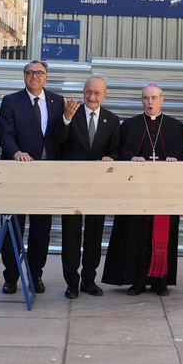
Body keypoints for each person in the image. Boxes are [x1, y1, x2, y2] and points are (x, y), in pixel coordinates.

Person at [102, 84, 183, 296]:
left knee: (163, 234)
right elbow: (119, 151)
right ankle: (136, 280)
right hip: (136, 190)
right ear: (141, 101)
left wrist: (174, 159)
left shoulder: (175, 126)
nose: (149, 102)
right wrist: (131, 157)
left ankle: (161, 281)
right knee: (134, 234)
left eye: (153, 98)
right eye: (145, 98)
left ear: (162, 100)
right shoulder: (130, 126)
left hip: (164, 191)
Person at [0, 61, 70, 294]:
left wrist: (67, 118)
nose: (34, 76)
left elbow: (61, 137)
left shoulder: (58, 102)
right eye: (29, 73)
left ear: (46, 77)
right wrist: (16, 152)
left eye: (39, 73)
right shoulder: (10, 101)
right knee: (12, 226)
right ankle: (11, 277)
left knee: (41, 228)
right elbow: (5, 134)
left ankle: (35, 274)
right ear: (24, 77)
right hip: (17, 172)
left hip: (46, 174)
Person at [51, 75, 119, 299]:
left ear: (104, 95)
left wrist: (111, 157)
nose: (91, 97)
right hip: (72, 184)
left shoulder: (112, 119)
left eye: (97, 93)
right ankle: (72, 282)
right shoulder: (71, 113)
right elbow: (57, 141)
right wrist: (67, 119)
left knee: (94, 234)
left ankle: (89, 280)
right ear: (83, 92)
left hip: (98, 186)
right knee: (71, 235)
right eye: (88, 92)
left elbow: (116, 149)